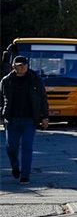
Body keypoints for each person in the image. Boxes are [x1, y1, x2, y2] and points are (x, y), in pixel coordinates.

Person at [0, 56, 49, 184]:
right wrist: (2, 113)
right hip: (11, 120)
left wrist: (45, 117)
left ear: (27, 66)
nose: (21, 67)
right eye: (18, 65)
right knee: (11, 148)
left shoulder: (35, 79)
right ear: (13, 66)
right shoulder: (6, 81)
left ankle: (25, 175)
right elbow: (1, 100)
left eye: (23, 65)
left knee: (27, 147)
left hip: (29, 120)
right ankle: (15, 167)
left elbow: (43, 98)